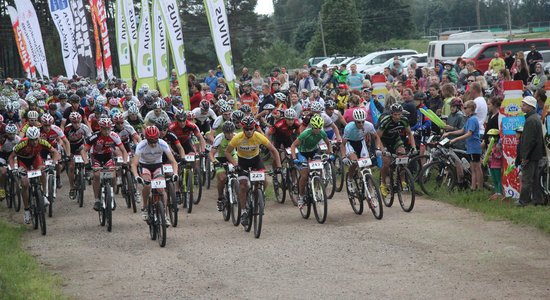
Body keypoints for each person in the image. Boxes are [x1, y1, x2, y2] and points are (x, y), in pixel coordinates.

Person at [224, 116, 281, 226]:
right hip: (242, 162)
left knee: (265, 181)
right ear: (243, 129)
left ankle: (260, 195)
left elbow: (273, 150)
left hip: (256, 160)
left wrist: (278, 166)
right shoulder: (237, 138)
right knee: (243, 186)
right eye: (247, 129)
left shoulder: (259, 137)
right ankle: (244, 211)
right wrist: (235, 164)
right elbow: (227, 152)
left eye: (251, 128)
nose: (249, 131)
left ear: (254, 128)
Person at [8, 126, 60, 224]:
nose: (34, 142)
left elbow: (55, 152)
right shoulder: (22, 143)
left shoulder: (42, 142)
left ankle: (44, 195)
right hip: (23, 161)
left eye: (36, 139)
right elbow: (11, 157)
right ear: (28, 138)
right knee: (24, 183)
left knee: (43, 171)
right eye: (32, 140)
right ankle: (27, 210)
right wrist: (14, 169)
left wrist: (53, 163)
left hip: (35, 159)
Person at [131, 126, 179, 224]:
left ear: (158, 138)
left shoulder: (162, 143)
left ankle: (164, 215)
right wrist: (136, 176)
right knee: (147, 185)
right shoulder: (141, 145)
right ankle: (144, 207)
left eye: (155, 141)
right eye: (150, 141)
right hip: (145, 166)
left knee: (161, 189)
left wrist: (175, 173)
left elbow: (173, 161)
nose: (153, 144)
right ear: (146, 139)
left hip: (157, 165)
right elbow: (134, 164)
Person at [290, 114, 333, 208]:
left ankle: (318, 183)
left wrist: (330, 154)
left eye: (319, 128)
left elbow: (328, 144)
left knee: (319, 168)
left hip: (314, 151)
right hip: (302, 152)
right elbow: (293, 145)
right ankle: (301, 197)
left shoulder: (322, 133)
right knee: (304, 175)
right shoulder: (305, 133)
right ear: (312, 126)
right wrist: (294, 158)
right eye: (315, 128)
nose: (317, 130)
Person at [377, 104, 415, 197]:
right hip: (384, 141)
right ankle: (383, 184)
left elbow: (410, 133)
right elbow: (377, 136)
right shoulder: (386, 121)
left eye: (399, 114)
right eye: (395, 115)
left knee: (403, 157)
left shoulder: (404, 120)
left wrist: (414, 147)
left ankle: (402, 181)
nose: (397, 117)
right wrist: (382, 149)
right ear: (391, 114)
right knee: (386, 162)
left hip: (395, 139)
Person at [341, 109, 383, 196]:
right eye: (358, 122)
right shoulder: (348, 128)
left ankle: (369, 186)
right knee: (355, 162)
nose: (361, 124)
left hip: (361, 142)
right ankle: (349, 179)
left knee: (366, 164)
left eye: (362, 122)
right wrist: (343, 156)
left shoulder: (369, 125)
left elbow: (376, 137)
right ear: (354, 121)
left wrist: (378, 148)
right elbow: (343, 144)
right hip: (350, 143)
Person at [443, 101, 483, 190]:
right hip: (470, 146)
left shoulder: (473, 119)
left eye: (465, 108)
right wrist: (449, 133)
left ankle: (478, 188)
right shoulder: (469, 119)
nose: (463, 110)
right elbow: (462, 130)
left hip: (474, 146)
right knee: (473, 168)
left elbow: (469, 133)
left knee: (476, 168)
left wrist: (456, 139)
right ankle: (474, 187)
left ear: (471, 109)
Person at [518, 96, 546, 206]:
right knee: (535, 179)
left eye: (524, 105)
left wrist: (524, 156)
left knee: (527, 179)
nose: (522, 107)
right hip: (535, 154)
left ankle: (523, 201)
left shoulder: (530, 120)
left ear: (530, 106)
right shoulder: (535, 117)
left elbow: (528, 141)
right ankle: (538, 200)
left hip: (530, 155)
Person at [210, 121, 238, 211]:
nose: (229, 135)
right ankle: (220, 198)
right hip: (219, 158)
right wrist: (214, 162)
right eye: (227, 133)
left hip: (232, 155)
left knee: (238, 171)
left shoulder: (236, 136)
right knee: (222, 178)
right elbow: (211, 154)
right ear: (223, 132)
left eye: (231, 132)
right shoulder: (219, 138)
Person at [485, 129, 503, 200]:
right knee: (494, 179)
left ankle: (499, 192)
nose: (489, 138)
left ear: (495, 138)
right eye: (489, 137)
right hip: (491, 165)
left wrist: (493, 153)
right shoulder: (490, 146)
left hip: (497, 165)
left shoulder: (498, 146)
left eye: (490, 137)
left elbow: (500, 156)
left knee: (498, 179)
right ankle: (496, 192)